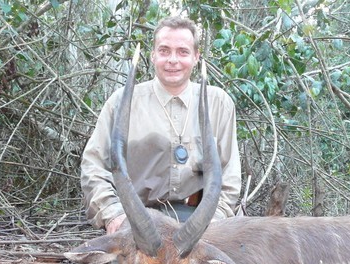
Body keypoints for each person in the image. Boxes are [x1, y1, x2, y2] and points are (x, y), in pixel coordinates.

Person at [81, 16, 241, 234]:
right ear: (153, 55)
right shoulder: (123, 102)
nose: (173, 60)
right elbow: (94, 166)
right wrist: (113, 215)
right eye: (164, 50)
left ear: (196, 57)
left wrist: (215, 221)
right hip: (141, 224)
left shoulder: (218, 103)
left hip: (201, 223)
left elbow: (229, 175)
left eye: (183, 52)